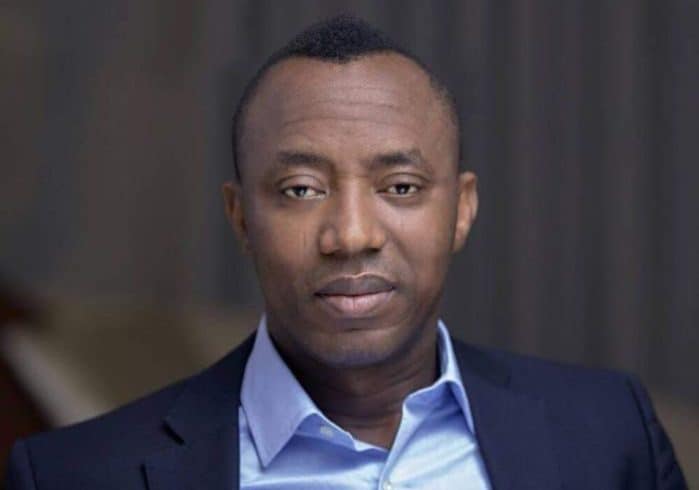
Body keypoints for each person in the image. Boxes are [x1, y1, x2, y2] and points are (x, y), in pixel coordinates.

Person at [5, 15, 687, 490]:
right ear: (241, 218)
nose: (352, 234)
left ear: (461, 210)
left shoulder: (608, 433)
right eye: (301, 189)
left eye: (400, 187)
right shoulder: (75, 475)